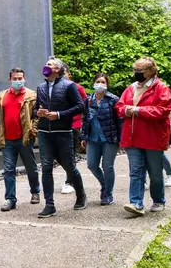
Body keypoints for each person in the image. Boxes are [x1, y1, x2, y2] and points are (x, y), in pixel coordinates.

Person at [116, 57, 171, 216]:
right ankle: (136, 203)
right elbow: (119, 106)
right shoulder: (131, 88)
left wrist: (138, 111)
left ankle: (158, 200)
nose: (136, 74)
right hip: (132, 137)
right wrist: (125, 110)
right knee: (136, 171)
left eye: (139, 71)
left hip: (152, 138)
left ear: (150, 71)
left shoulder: (162, 88)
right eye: (134, 70)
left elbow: (163, 111)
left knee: (155, 172)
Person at [34, 58, 87, 217]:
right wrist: (38, 112)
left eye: (50, 64)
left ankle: (81, 194)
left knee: (69, 167)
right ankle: (49, 205)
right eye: (46, 64)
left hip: (63, 133)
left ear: (58, 69)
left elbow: (80, 106)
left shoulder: (69, 86)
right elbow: (36, 108)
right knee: (46, 168)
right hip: (44, 134)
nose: (46, 66)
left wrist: (58, 115)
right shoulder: (41, 87)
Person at [0, 68, 41, 211]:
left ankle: (35, 191)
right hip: (7, 139)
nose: (18, 81)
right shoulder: (3, 95)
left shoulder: (31, 95)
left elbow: (37, 116)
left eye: (20, 78)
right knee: (8, 169)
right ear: (10, 79)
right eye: (15, 78)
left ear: (24, 78)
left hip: (24, 138)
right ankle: (10, 199)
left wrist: (33, 130)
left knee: (31, 167)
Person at [81, 72, 122, 205]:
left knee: (107, 166)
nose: (100, 84)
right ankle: (105, 184)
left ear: (107, 85)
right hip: (93, 138)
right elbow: (85, 119)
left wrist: (121, 139)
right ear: (93, 83)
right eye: (98, 81)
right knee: (91, 164)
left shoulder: (113, 99)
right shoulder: (88, 100)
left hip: (109, 138)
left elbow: (120, 120)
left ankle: (107, 193)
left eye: (103, 82)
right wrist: (83, 136)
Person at [61, 64, 87, 194]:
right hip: (59, 126)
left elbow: (85, 104)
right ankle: (72, 178)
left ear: (69, 74)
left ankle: (69, 181)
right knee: (61, 155)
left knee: (70, 154)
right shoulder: (54, 88)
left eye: (64, 72)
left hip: (74, 125)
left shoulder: (77, 88)